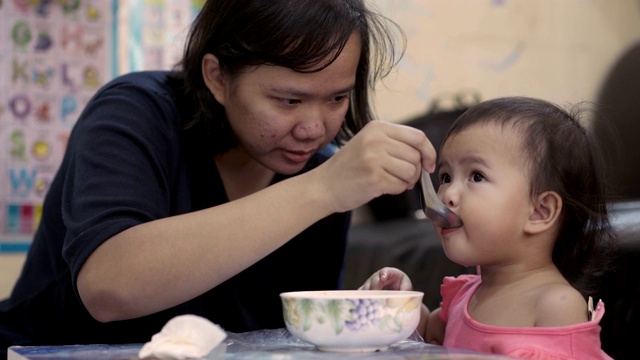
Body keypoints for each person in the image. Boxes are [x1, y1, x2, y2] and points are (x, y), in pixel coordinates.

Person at [0, 0, 437, 351]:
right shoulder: (135, 113)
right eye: (288, 101)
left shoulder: (319, 170)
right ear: (217, 78)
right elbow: (108, 288)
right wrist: (321, 190)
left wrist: (361, 314)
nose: (314, 128)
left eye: (337, 97)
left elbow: (281, 336)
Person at [360, 97, 615, 359]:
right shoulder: (465, 296)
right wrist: (398, 307)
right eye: (445, 177)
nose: (447, 194)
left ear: (540, 212)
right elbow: (428, 340)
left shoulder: (556, 305)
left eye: (476, 176)